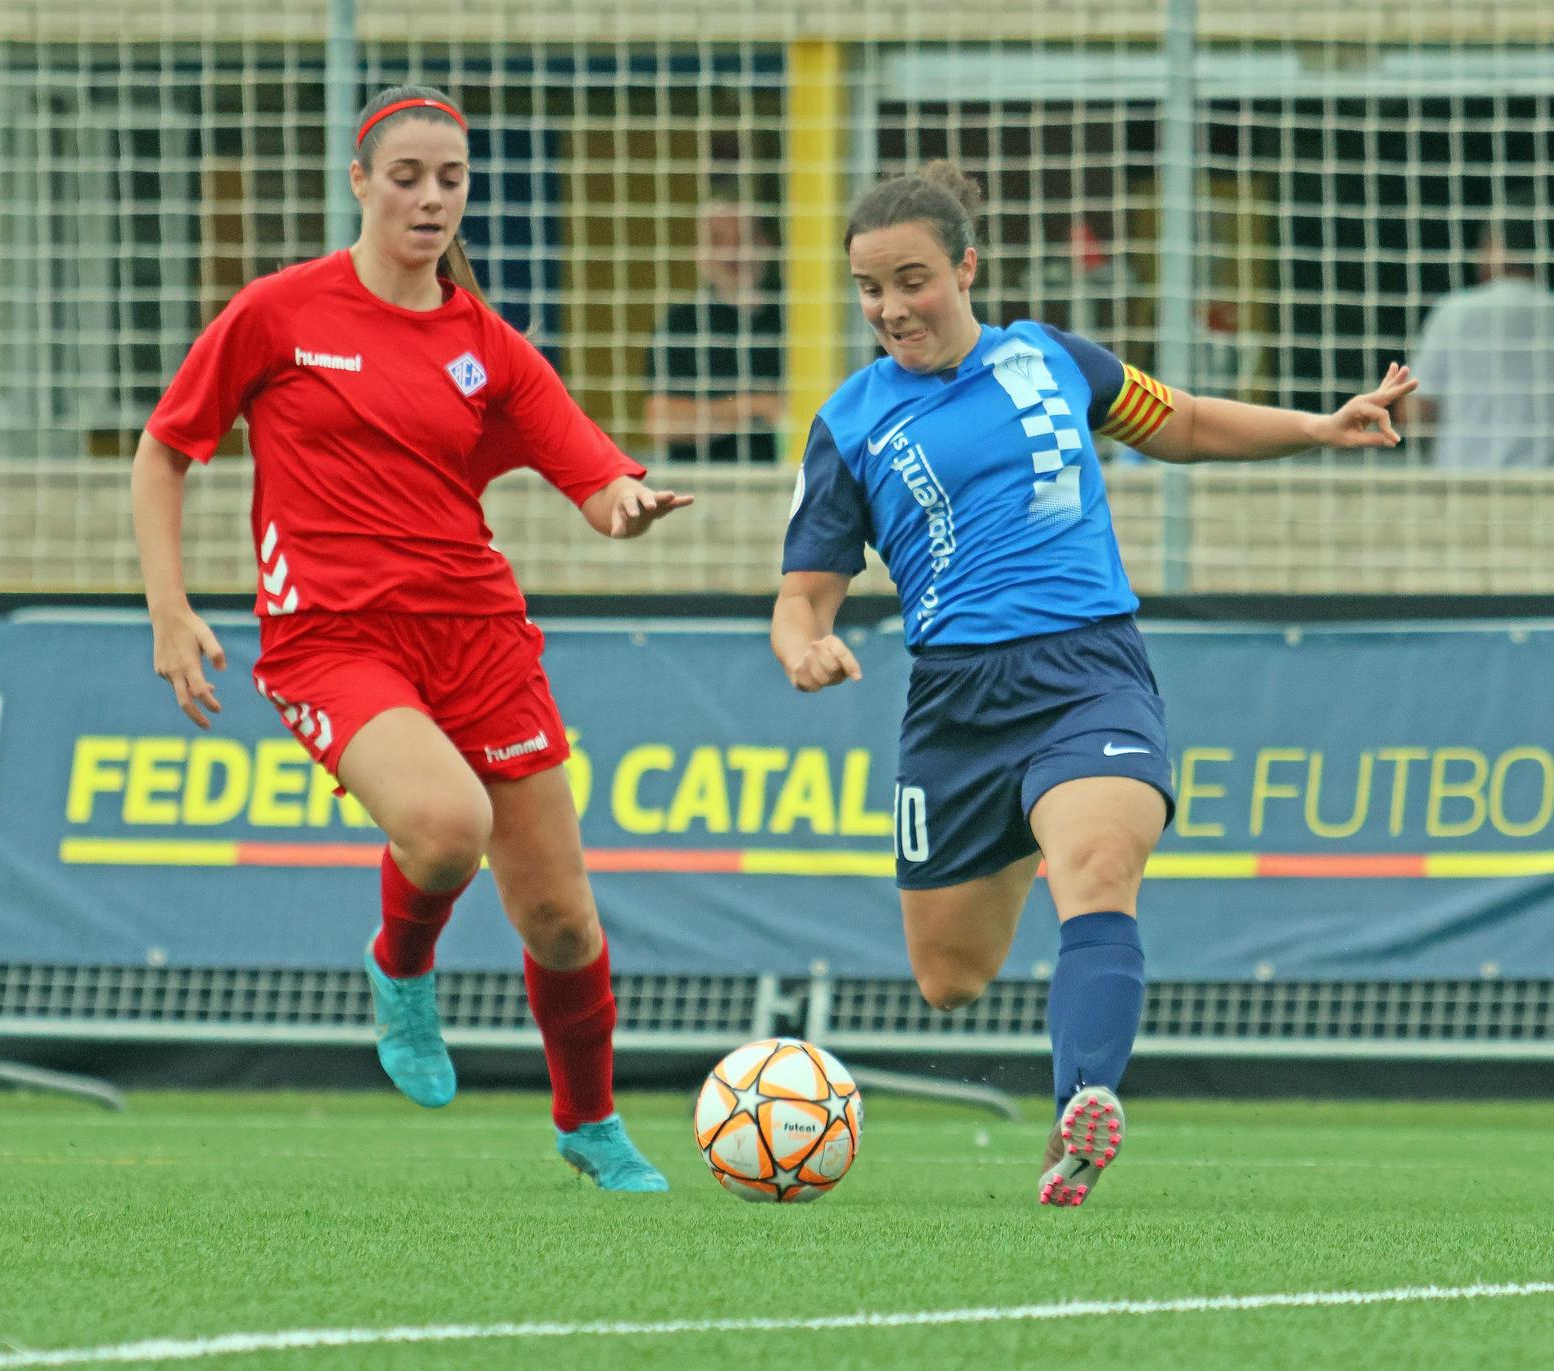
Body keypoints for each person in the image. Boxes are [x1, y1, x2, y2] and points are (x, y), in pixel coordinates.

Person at [771, 161, 1414, 1207]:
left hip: (1086, 672)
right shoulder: (849, 425)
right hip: (955, 705)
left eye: (911, 280)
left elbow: (1186, 423)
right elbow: (802, 595)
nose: (890, 308)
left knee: (1099, 875)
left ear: (966, 268)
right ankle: (1036, 824)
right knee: (950, 979)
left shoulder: (1048, 358)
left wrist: (1315, 426)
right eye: (868, 289)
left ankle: (1080, 1112)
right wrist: (802, 647)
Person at [131, 84, 690, 1192]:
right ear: (359, 182)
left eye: (451, 180)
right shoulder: (278, 312)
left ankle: (588, 1124)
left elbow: (591, 472)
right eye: (407, 177)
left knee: (562, 925)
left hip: (478, 635)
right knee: (444, 828)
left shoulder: (488, 345)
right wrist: (171, 607)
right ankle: (401, 969)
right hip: (329, 638)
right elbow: (164, 453)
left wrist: (626, 504)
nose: (431, 198)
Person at [1405, 201, 1554, 469]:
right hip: (1550, 491)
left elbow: (1418, 413)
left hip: (1461, 487)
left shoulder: (1454, 313)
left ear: (1495, 246)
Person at [643, 194, 786, 463]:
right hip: (705, 487)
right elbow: (663, 423)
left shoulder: (794, 316)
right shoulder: (681, 324)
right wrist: (757, 406)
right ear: (699, 254)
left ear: (767, 244)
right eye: (718, 239)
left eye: (743, 237)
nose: (732, 251)